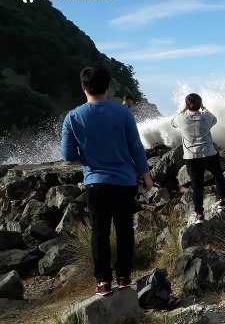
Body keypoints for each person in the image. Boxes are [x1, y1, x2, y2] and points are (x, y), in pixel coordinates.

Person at [60, 66, 153, 296]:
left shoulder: (73, 116)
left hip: (96, 183)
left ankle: (103, 282)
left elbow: (68, 155)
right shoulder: (124, 113)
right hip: (124, 182)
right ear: (109, 87)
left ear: (83, 86)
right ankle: (123, 277)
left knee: (99, 232)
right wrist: (146, 174)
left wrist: (89, 158)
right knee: (124, 230)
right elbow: (135, 147)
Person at [171, 93, 225, 223]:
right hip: (208, 153)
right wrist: (203, 107)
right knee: (218, 175)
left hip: (191, 157)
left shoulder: (181, 118)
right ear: (200, 104)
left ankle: (199, 214)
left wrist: (183, 109)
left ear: (187, 105)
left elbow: (172, 123)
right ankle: (222, 200)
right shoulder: (207, 117)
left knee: (197, 185)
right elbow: (214, 119)